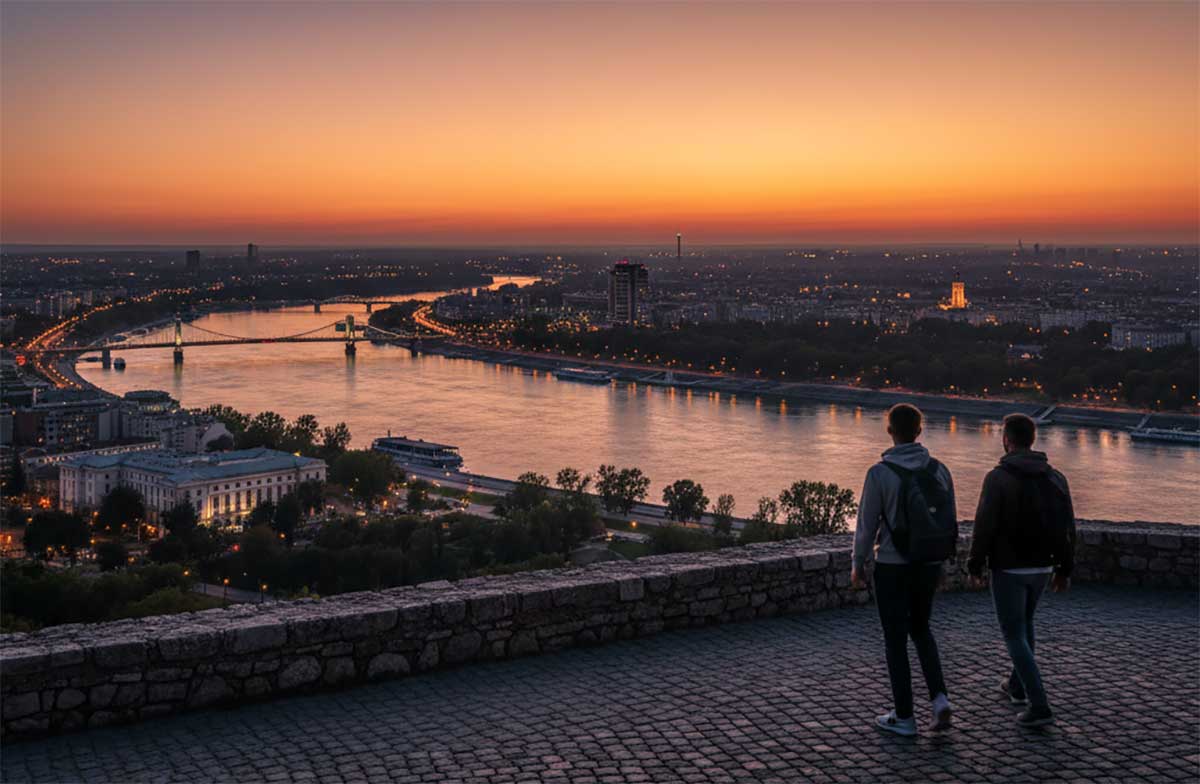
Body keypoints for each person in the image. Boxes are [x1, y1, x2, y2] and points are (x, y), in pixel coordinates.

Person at [852, 403, 955, 736]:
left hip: (893, 566)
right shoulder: (940, 470)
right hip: (928, 563)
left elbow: (866, 527)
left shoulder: (880, 473)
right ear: (920, 431)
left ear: (889, 430)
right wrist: (942, 562)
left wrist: (858, 564)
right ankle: (940, 700)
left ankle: (904, 716)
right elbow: (948, 522)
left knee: (895, 638)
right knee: (922, 629)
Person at [968, 413, 1076, 728]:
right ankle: (1016, 686)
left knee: (1013, 633)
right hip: (1043, 566)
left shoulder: (997, 478)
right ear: (1032, 440)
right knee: (1026, 623)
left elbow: (984, 525)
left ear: (1007, 440)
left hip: (1009, 567)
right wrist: (1064, 569)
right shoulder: (1056, 478)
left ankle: (1040, 705)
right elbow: (1069, 528)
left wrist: (975, 564)